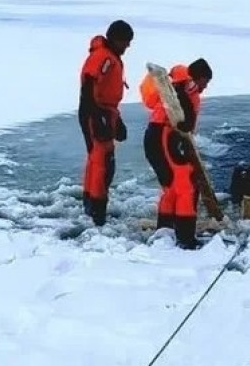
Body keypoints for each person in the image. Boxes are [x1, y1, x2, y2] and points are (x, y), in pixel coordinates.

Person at [141, 58, 212, 249]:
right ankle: (185, 237)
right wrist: (186, 121)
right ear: (199, 78)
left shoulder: (179, 84)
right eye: (205, 82)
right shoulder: (184, 87)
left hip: (158, 136)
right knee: (185, 184)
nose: (205, 87)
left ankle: (165, 230)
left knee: (171, 187)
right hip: (165, 135)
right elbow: (181, 117)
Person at [79, 20, 133, 226]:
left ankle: (91, 206)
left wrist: (116, 120)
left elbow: (105, 91)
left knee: (97, 160)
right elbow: (89, 83)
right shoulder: (103, 57)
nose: (128, 46)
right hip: (96, 112)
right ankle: (97, 212)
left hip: (103, 112)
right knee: (103, 162)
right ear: (116, 39)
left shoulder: (110, 57)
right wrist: (97, 117)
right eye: (126, 41)